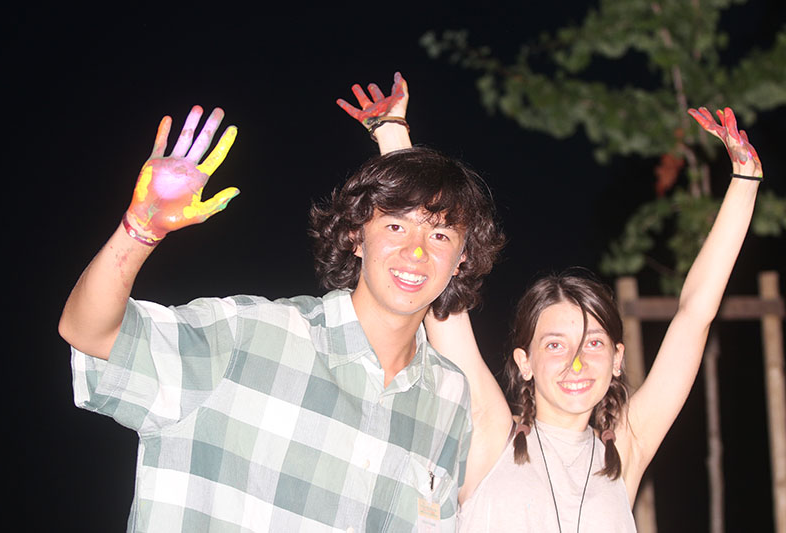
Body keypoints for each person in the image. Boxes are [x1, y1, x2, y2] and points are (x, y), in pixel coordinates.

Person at [58, 78, 504, 531]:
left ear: (461, 260)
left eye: (440, 235)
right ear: (355, 236)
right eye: (394, 227)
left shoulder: (448, 398)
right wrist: (139, 230)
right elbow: (89, 332)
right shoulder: (248, 335)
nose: (416, 251)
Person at [421, 106, 763, 532]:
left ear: (617, 359)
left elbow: (694, 315)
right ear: (525, 362)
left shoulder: (623, 454)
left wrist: (745, 180)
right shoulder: (492, 442)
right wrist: (392, 132)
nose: (576, 362)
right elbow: (439, 292)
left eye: (594, 342)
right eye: (555, 344)